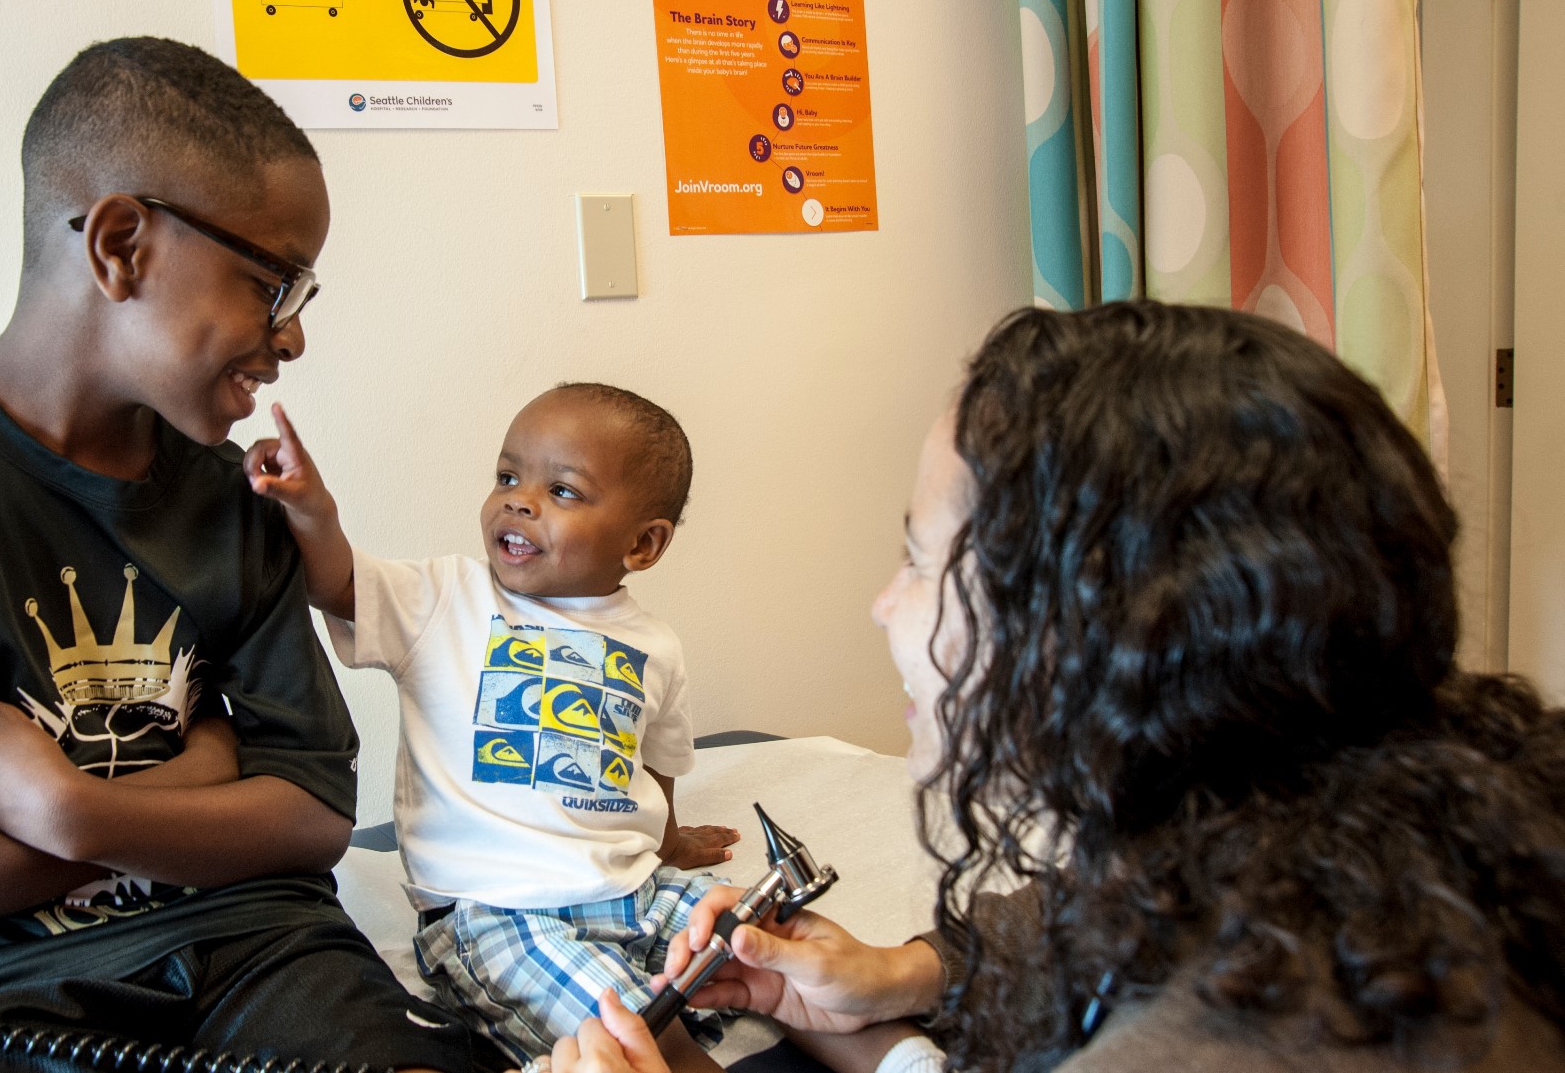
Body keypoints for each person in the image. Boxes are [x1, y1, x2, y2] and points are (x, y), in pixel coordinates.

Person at [551, 303, 1565, 1073]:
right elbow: (1113, 921)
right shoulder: (1392, 843)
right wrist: (890, 984)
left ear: (1087, 626)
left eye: (918, 558)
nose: (883, 606)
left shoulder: (1232, 1042)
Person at [0, 36, 496, 1073]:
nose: (290, 340)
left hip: (257, 951)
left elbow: (311, 814)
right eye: (273, 284)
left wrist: (70, 806)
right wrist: (202, 766)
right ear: (121, 246)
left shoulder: (235, 498)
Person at [243, 383, 742, 1072]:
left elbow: (653, 765)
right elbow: (336, 582)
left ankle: (901, 1055)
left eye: (562, 491)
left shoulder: (654, 645)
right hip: (500, 914)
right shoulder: (444, 597)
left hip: (635, 890)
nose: (519, 498)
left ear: (643, 544)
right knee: (645, 1037)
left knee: (775, 944)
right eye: (508, 476)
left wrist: (672, 841)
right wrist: (311, 510)